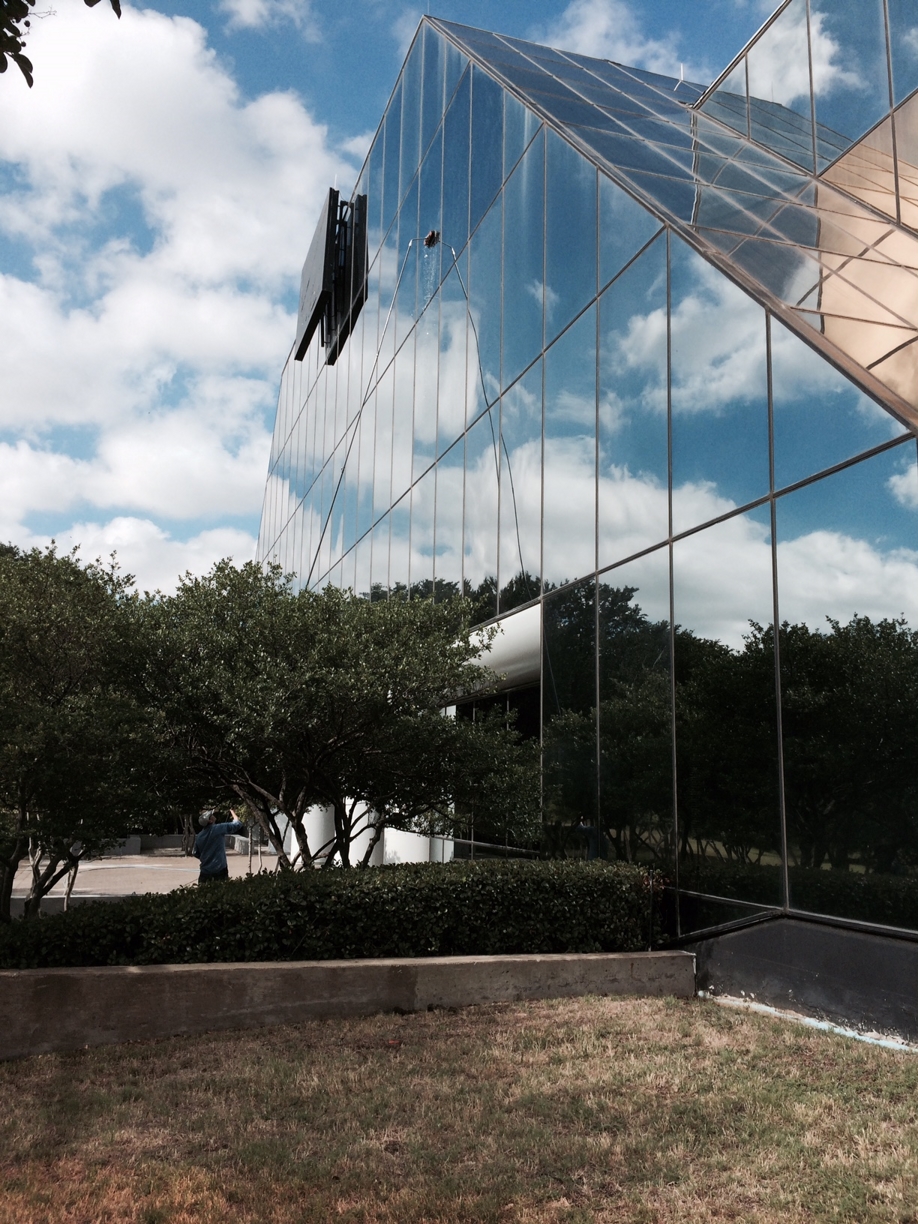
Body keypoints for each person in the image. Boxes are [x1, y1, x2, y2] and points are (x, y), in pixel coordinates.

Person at [193, 810, 246, 883]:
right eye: (211, 815)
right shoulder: (218, 828)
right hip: (219, 870)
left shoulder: (199, 836)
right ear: (210, 821)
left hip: (205, 872)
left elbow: (195, 853)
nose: (213, 815)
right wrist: (232, 812)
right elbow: (237, 824)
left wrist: (207, 857)